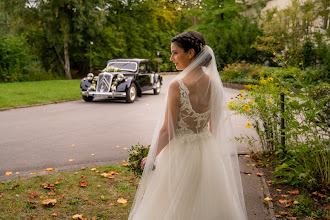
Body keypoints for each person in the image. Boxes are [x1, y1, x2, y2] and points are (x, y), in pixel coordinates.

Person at [128, 31, 248, 220]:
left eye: (175, 53)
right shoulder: (214, 85)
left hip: (179, 153)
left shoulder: (178, 85)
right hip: (206, 152)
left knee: (173, 206)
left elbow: (168, 129)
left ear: (190, 53)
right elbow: (214, 128)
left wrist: (151, 156)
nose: (171, 58)